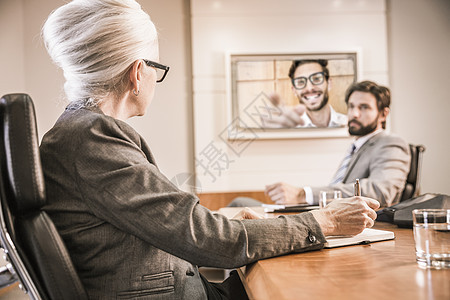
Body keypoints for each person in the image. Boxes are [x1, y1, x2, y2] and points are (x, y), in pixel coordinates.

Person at [40, 1, 379, 299]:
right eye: (157, 68)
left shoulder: (80, 133)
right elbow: (206, 239)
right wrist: (324, 220)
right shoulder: (94, 138)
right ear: (138, 73)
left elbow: (167, 223)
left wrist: (224, 221)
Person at [232, 81, 410, 209]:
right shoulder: (358, 147)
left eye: (364, 107)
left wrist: (304, 195)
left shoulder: (390, 143)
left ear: (384, 114)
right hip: (324, 213)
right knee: (241, 206)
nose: (354, 113)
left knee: (240, 205)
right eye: (351, 106)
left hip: (347, 225)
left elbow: (381, 191)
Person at [262, 59, 347, 128]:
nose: (310, 88)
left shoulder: (348, 125)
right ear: (294, 91)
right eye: (301, 82)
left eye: (316, 79)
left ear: (329, 84)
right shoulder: (289, 130)